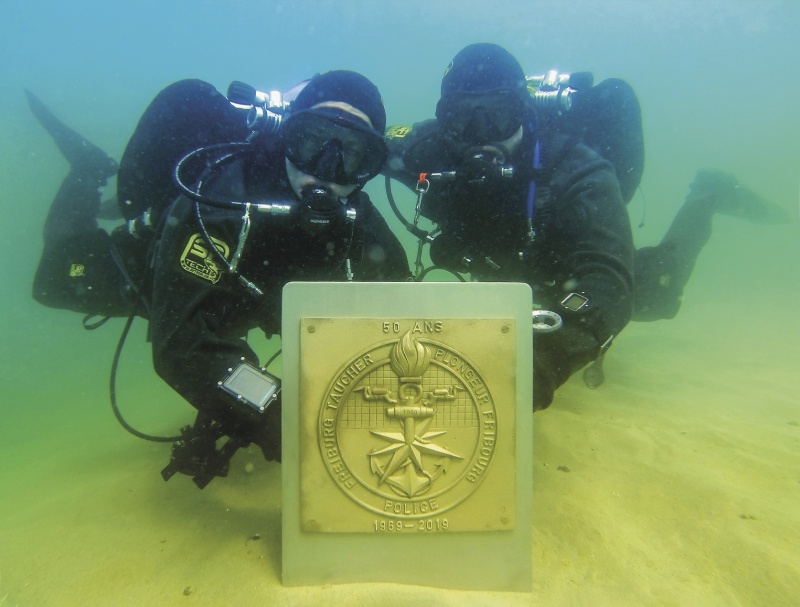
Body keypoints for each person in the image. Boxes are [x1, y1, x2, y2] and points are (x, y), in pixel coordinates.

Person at [29, 70, 410, 487]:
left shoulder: (363, 229)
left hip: (243, 303)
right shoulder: (221, 200)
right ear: (286, 136)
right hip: (163, 279)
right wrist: (281, 415)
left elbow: (409, 325)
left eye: (352, 154)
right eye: (310, 141)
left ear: (369, 167)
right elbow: (182, 347)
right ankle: (86, 170)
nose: (325, 169)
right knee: (53, 280)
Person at [384, 43, 789, 407]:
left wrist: (545, 359)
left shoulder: (577, 168)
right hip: (509, 270)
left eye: (499, 114)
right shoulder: (424, 150)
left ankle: (707, 196)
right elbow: (352, 144)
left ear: (524, 113)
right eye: (461, 117)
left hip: (569, 265)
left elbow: (608, 280)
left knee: (656, 295)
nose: (480, 135)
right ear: (442, 120)